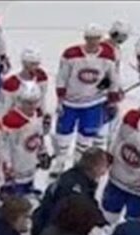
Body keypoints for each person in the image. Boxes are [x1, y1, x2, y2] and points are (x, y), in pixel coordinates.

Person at [53, 24, 121, 175]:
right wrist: (60, 99)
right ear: (85, 38)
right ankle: (60, 161)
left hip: (93, 103)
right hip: (71, 102)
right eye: (90, 39)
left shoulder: (108, 56)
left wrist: (112, 99)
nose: (93, 42)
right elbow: (62, 77)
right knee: (63, 134)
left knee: (86, 135)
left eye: (96, 39)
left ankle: (78, 164)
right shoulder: (71, 54)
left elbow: (113, 79)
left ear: (100, 39)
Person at [32, 146, 109, 235]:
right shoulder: (76, 190)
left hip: (44, 227)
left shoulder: (72, 176)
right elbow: (86, 208)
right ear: (95, 167)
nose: (106, 169)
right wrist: (103, 224)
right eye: (104, 165)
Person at [0, 82, 49, 197]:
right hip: (17, 162)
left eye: (34, 101)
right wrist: (7, 165)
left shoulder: (38, 114)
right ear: (20, 100)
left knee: (30, 173)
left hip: (30, 157)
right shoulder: (11, 120)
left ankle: (28, 188)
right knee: (15, 190)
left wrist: (43, 152)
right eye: (28, 102)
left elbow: (39, 135)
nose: (31, 105)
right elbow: (4, 145)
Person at [101, 20, 131, 142]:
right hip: (103, 92)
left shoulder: (115, 48)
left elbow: (115, 72)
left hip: (111, 90)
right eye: (120, 36)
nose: (121, 39)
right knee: (106, 119)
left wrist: (118, 87)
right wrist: (112, 90)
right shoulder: (105, 49)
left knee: (113, 118)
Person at [0, 48, 49, 117]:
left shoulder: (41, 76)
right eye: (33, 64)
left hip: (36, 117)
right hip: (18, 119)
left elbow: (42, 99)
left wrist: (44, 115)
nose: (36, 67)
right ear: (24, 64)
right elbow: (5, 107)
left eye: (37, 64)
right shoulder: (10, 83)